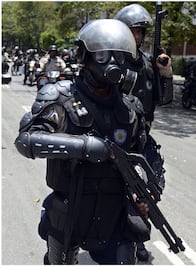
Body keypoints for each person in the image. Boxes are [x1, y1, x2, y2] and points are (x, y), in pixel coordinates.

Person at [14, 19, 151, 264]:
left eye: (118, 56)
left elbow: (142, 154)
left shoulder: (130, 107)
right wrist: (85, 147)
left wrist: (143, 194)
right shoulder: (60, 97)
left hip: (115, 208)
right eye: (101, 55)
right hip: (70, 207)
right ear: (84, 57)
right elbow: (26, 140)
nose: (111, 63)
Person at [114, 3, 173, 261]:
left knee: (149, 190)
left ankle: (137, 239)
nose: (135, 37)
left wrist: (165, 71)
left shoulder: (149, 63)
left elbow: (165, 99)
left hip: (142, 138)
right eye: (131, 31)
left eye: (139, 32)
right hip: (114, 139)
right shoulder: (111, 62)